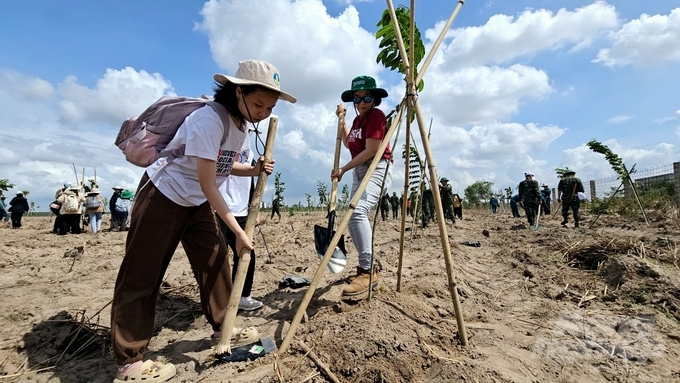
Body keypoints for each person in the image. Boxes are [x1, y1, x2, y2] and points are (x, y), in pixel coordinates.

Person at [110, 59, 293, 383]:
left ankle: (223, 325)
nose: (263, 112)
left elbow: (221, 164)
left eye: (269, 107)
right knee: (143, 273)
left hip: (195, 202)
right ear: (238, 93)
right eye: (258, 104)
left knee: (214, 259)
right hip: (163, 196)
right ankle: (130, 361)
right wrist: (237, 230)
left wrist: (251, 170)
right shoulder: (209, 119)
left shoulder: (240, 126)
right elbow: (209, 183)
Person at [332, 75, 392, 296]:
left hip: (376, 166)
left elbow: (372, 150)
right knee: (351, 218)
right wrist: (342, 120)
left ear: (374, 98)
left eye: (367, 97)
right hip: (360, 168)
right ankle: (367, 266)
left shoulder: (376, 116)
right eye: (357, 99)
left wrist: (343, 169)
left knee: (358, 212)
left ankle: (367, 271)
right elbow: (350, 143)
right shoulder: (357, 121)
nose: (362, 102)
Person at [217, 141, 263, 312]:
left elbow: (251, 181)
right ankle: (219, 301)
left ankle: (243, 296)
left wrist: (254, 207)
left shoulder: (248, 152)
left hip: (242, 210)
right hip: (218, 206)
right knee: (217, 255)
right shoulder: (219, 142)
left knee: (246, 252)